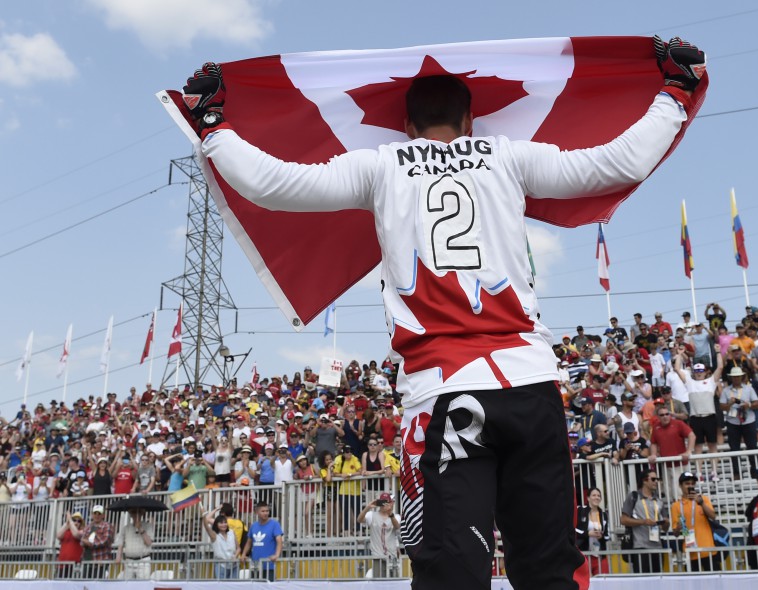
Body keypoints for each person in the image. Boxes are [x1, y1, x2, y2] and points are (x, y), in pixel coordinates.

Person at [185, 35, 705, 588]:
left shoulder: (383, 165)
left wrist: (213, 124)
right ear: (471, 119)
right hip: (531, 384)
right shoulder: (506, 154)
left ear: (406, 128)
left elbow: (273, 183)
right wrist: (675, 91)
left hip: (444, 393)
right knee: (551, 572)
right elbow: (615, 162)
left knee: (451, 575)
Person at [620, 469, 669, 574]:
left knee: (657, 581)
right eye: (653, 479)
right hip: (640, 547)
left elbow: (665, 529)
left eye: (657, 479)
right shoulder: (634, 496)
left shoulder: (659, 501)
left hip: (657, 547)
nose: (656, 481)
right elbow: (623, 519)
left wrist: (666, 522)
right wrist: (643, 522)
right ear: (644, 481)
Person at [670, 472, 719, 572]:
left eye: (692, 483)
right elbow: (675, 533)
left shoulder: (703, 499)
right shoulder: (676, 506)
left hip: (708, 550)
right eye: (687, 483)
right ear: (680, 486)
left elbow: (713, 516)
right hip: (690, 551)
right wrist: (679, 527)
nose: (690, 486)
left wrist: (701, 503)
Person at [719, 366, 758, 479]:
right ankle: (737, 472)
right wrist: (730, 404)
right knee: (734, 447)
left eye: (738, 377)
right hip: (733, 421)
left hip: (748, 420)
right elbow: (722, 407)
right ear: (731, 378)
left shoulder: (749, 389)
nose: (736, 379)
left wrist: (749, 405)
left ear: (741, 377)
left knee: (752, 446)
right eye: (734, 377)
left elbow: (756, 403)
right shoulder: (726, 391)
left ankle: (755, 469)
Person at [359, 492, 401, 578]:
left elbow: (397, 526)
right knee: (378, 583)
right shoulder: (371, 515)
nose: (384, 505)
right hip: (377, 556)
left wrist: (390, 514)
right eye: (382, 502)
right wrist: (368, 507)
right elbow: (359, 519)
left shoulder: (396, 516)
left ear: (390, 503)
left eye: (386, 502)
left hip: (392, 556)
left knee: (394, 583)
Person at [241, 501, 284, 581]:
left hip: (269, 565)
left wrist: (277, 555)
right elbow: (249, 542)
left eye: (267, 511)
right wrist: (243, 554)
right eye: (263, 511)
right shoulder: (254, 526)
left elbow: (279, 541)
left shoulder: (274, 524)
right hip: (255, 565)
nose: (266, 513)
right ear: (257, 512)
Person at [575, 487, 610, 577]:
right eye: (594, 495)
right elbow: (572, 529)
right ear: (588, 498)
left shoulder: (603, 514)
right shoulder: (580, 510)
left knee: (603, 582)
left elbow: (607, 535)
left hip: (599, 555)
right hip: (583, 554)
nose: (596, 497)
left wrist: (601, 536)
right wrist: (588, 534)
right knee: (587, 583)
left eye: (599, 496)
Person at [115, 509, 155, 579]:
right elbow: (120, 544)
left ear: (142, 514)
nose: (136, 515)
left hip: (143, 560)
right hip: (129, 561)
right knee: (128, 586)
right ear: (131, 515)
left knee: (143, 585)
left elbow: (148, 543)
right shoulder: (125, 528)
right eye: (133, 512)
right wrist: (118, 557)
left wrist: (141, 529)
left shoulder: (148, 526)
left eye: (139, 512)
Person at [202, 507, 238, 579]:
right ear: (216, 524)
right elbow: (206, 526)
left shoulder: (231, 532)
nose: (224, 524)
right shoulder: (214, 535)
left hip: (234, 566)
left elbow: (239, 548)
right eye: (221, 523)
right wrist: (203, 515)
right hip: (221, 566)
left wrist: (235, 556)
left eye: (225, 522)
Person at [80, 504, 115, 580]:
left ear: (103, 515)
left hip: (100, 562)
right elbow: (82, 541)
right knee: (85, 584)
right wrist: (88, 542)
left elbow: (104, 541)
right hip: (87, 560)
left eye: (99, 513)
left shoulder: (107, 526)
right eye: (95, 513)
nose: (97, 515)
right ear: (92, 515)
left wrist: (89, 543)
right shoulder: (88, 527)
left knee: (98, 585)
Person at [56, 511, 85, 578]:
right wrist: (67, 523)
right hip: (62, 564)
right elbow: (58, 536)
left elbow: (76, 534)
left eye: (79, 521)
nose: (76, 522)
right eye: (74, 520)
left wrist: (70, 521)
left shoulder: (82, 531)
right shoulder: (66, 531)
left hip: (75, 565)